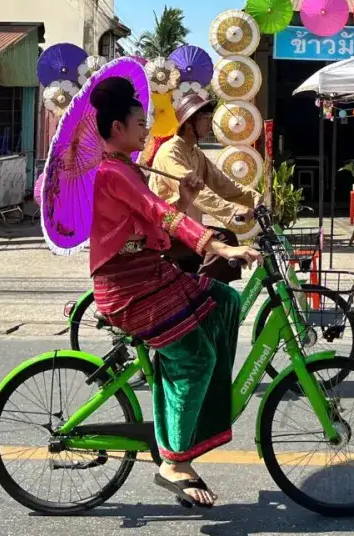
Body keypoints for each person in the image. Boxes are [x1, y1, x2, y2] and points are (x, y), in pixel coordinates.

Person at [87, 76, 260, 509]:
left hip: (150, 272)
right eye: (138, 122)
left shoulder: (130, 168)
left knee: (226, 301)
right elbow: (156, 214)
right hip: (127, 287)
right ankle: (174, 460)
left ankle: (196, 420)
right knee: (196, 357)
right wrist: (217, 244)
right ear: (115, 130)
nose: (146, 130)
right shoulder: (110, 173)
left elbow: (156, 226)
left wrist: (184, 201)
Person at [149, 92, 261, 236]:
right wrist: (232, 211)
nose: (210, 124)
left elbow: (223, 184)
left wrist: (255, 199)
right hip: (166, 231)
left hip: (188, 228)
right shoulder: (170, 152)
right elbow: (197, 192)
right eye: (205, 119)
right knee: (225, 240)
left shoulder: (196, 153)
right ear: (189, 124)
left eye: (211, 118)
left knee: (225, 239)